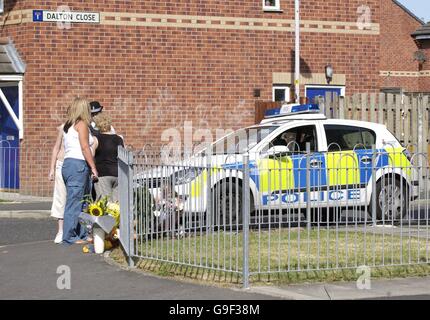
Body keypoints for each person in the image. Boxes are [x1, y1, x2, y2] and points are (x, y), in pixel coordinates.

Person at [62, 97, 98, 245]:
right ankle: (69, 236)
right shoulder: (81, 124)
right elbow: (85, 147)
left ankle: (82, 234)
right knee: (76, 202)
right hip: (78, 165)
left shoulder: (68, 125)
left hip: (69, 164)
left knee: (82, 201)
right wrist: (94, 167)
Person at [92, 113, 124, 202]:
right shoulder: (119, 139)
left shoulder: (96, 139)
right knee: (116, 206)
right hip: (118, 174)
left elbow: (91, 156)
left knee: (104, 204)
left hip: (103, 174)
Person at [48, 124, 66, 244]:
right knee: (61, 198)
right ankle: (60, 231)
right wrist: (52, 169)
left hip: (77, 165)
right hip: (61, 163)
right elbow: (56, 147)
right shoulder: (64, 127)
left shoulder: (85, 126)